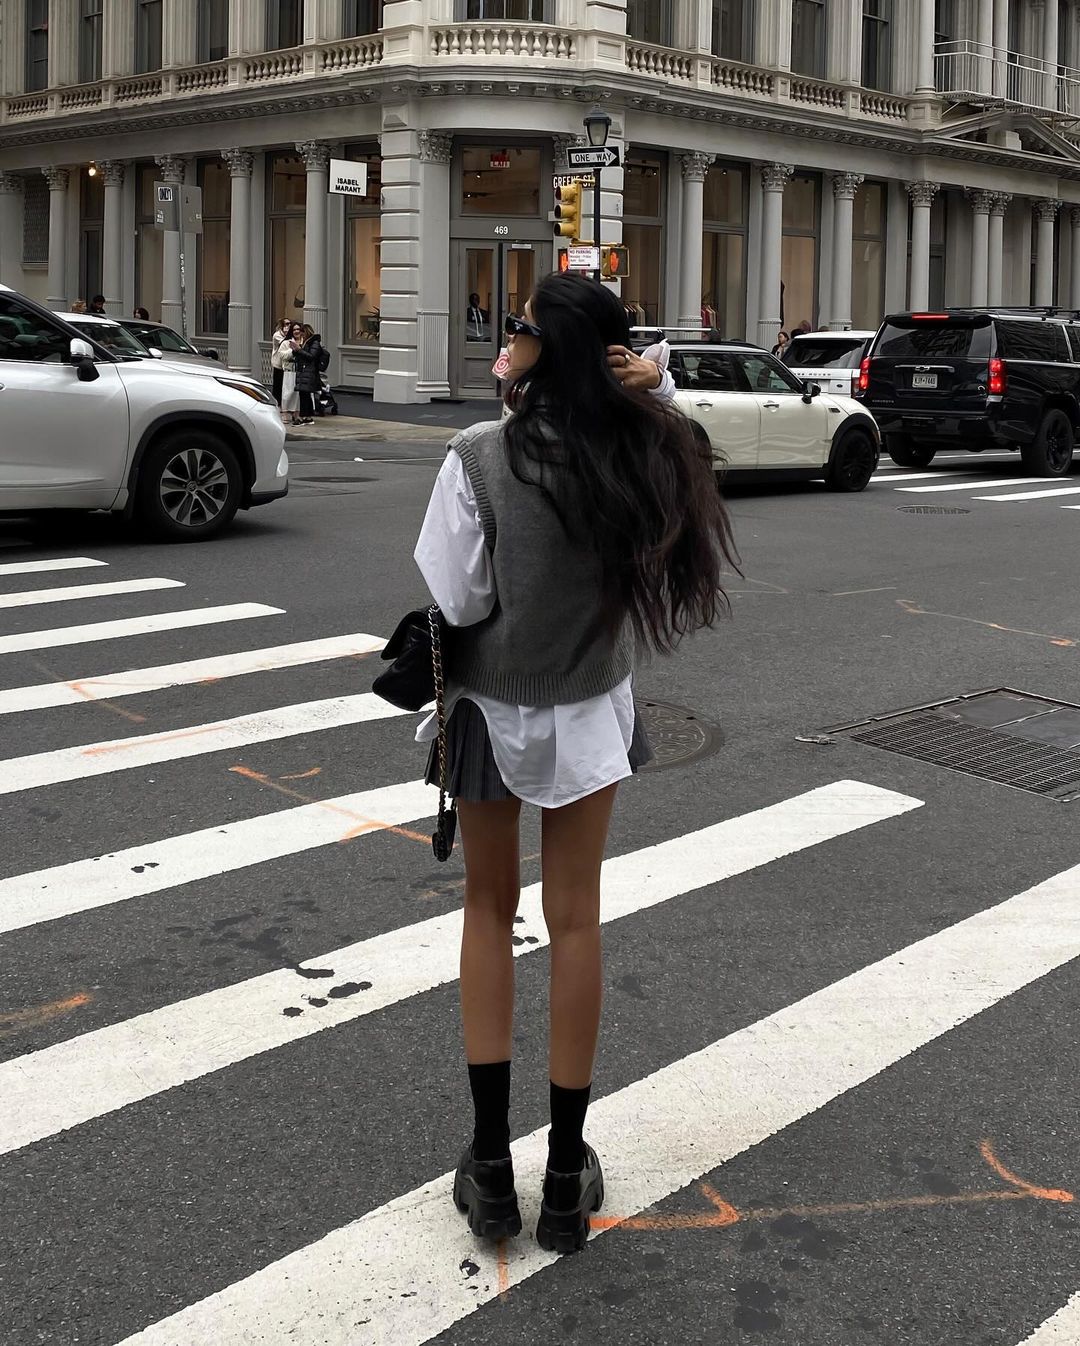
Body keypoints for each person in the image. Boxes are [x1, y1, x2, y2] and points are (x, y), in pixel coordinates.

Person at [413, 272, 739, 1255]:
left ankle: (486, 1163)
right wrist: (653, 393)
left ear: (541, 349)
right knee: (577, 918)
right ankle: (563, 1173)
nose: (505, 338)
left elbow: (460, 602)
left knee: (485, 907)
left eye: (518, 327)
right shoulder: (639, 454)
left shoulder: (475, 457)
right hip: (591, 704)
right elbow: (684, 471)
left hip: (489, 709)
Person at [293, 326, 327, 425]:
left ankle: (304, 416)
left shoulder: (314, 343)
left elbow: (311, 356)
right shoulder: (306, 342)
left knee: (305, 394)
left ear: (306, 332)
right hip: (304, 371)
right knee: (304, 394)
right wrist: (295, 350)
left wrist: (299, 350)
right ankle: (307, 416)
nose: (301, 335)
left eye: (302, 332)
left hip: (309, 371)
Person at [279, 322, 302, 426]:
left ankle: (297, 414)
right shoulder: (286, 343)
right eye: (294, 330)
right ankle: (285, 413)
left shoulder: (304, 342)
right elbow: (282, 356)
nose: (296, 331)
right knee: (288, 393)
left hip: (301, 371)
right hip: (290, 370)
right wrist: (292, 350)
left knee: (298, 394)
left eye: (298, 329)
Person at [270, 318, 291, 407]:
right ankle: (276, 402)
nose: (288, 325)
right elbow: (284, 343)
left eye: (289, 323)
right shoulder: (277, 335)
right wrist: (287, 335)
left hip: (286, 363)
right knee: (277, 384)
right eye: (286, 324)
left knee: (285, 384)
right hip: (278, 362)